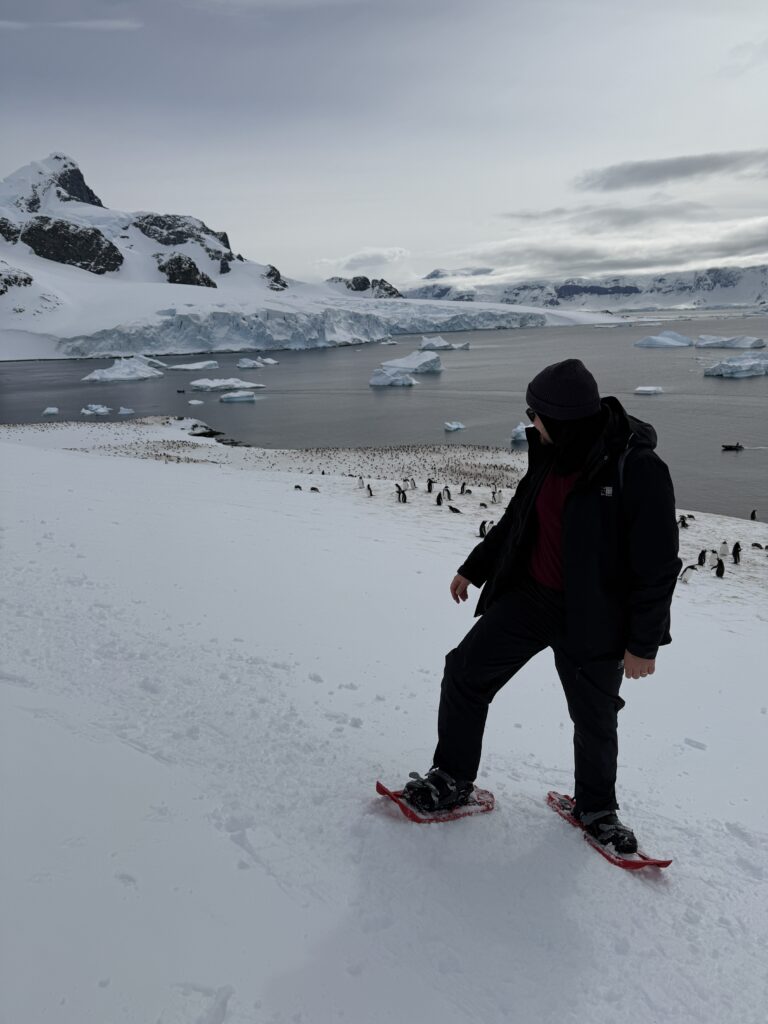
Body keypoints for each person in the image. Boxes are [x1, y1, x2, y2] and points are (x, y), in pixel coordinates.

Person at [402, 359, 682, 853]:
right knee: (465, 672)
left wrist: (644, 642)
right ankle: (452, 778)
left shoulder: (634, 466)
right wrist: (475, 566)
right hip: (530, 598)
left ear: (563, 418)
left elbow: (658, 564)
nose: (529, 422)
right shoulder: (552, 451)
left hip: (594, 618)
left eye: (535, 413)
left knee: (594, 716)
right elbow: (520, 516)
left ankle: (596, 808)